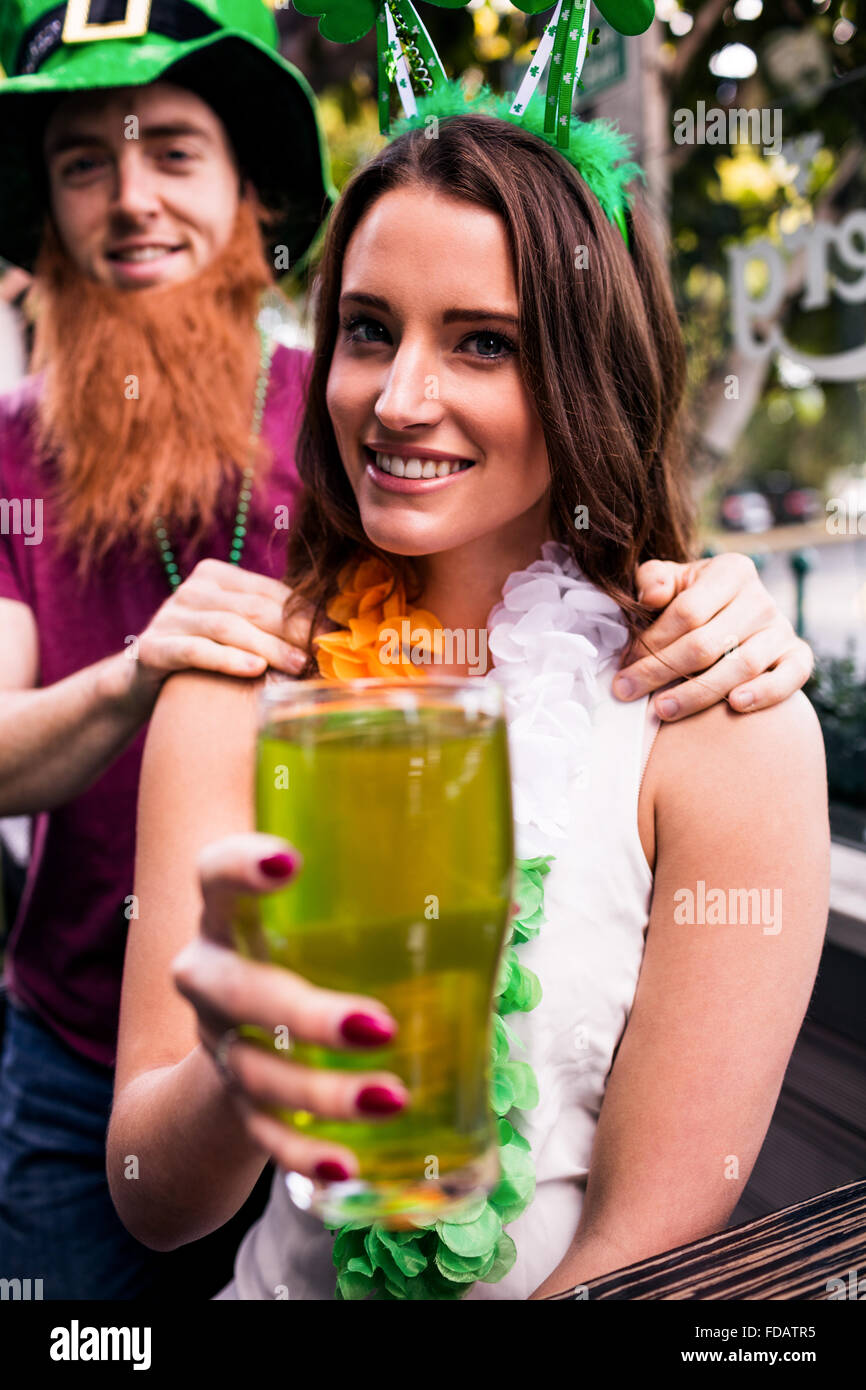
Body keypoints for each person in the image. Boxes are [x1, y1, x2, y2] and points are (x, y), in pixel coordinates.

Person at [107, 96, 830, 1301]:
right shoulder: (236, 684)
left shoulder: (718, 726)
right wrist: (245, 1053)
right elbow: (151, 1200)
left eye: (482, 341)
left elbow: (645, 1241)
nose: (396, 398)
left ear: (588, 371)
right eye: (366, 330)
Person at [0, 0, 335, 1299]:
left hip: (324, 1041)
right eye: (84, 159)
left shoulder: (357, 411)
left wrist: (699, 598)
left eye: (173, 151)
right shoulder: (11, 452)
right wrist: (139, 667)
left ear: (251, 191)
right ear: (48, 206)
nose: (130, 199)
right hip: (71, 1065)